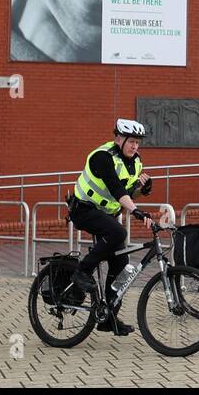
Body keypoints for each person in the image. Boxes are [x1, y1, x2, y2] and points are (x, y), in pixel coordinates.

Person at [68, 118, 155, 335]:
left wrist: (141, 190)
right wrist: (135, 211)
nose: (135, 146)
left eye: (137, 142)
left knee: (122, 265)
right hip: (84, 209)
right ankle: (82, 271)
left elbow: (126, 190)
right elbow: (116, 189)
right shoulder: (102, 157)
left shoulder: (135, 161)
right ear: (118, 139)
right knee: (118, 232)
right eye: (131, 141)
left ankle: (108, 318)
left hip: (105, 214)